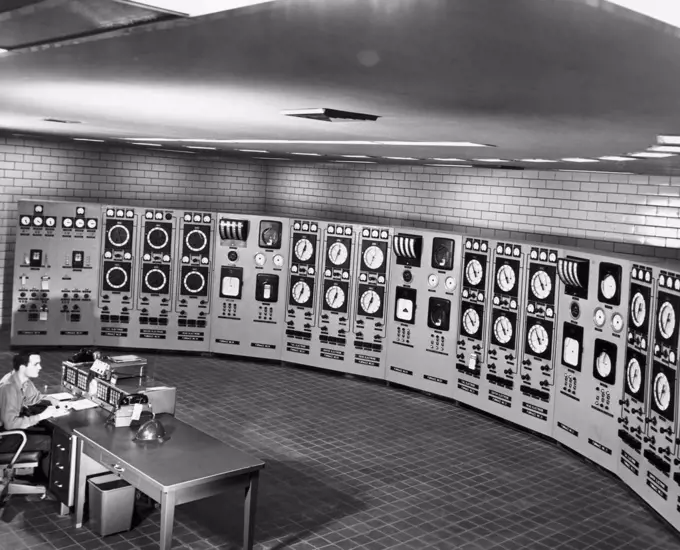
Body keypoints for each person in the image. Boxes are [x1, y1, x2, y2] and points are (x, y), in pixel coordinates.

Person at [0, 351, 62, 482]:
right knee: (52, 440)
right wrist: (42, 416)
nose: (40, 367)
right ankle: (46, 483)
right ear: (23, 367)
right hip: (4, 438)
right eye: (36, 364)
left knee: (46, 431)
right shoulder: (9, 388)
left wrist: (48, 398)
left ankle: (39, 476)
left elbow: (33, 398)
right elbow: (10, 424)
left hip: (8, 432)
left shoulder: (21, 380)